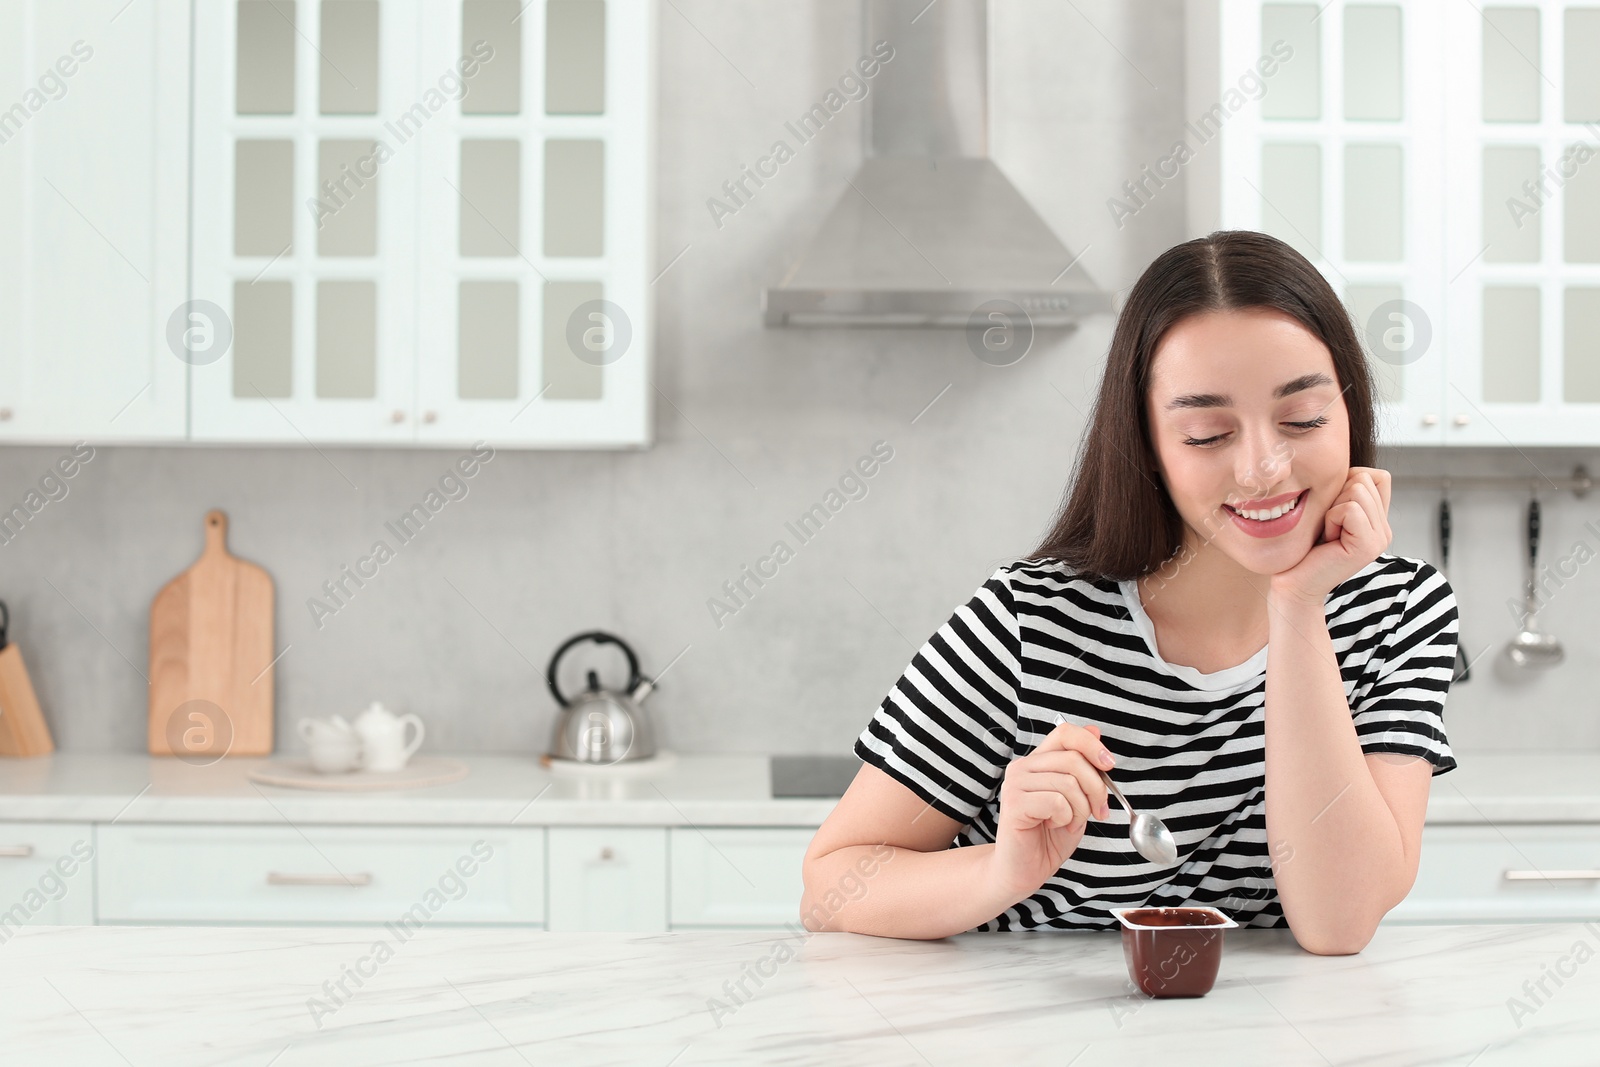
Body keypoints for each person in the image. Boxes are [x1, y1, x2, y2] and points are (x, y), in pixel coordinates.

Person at [799, 230, 1459, 955]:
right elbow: (830, 885)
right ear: (1146, 445)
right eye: (1208, 433)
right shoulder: (1028, 622)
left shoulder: (1401, 612)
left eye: (1303, 418)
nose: (1264, 466)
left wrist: (1299, 606)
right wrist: (1004, 868)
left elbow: (1340, 921)